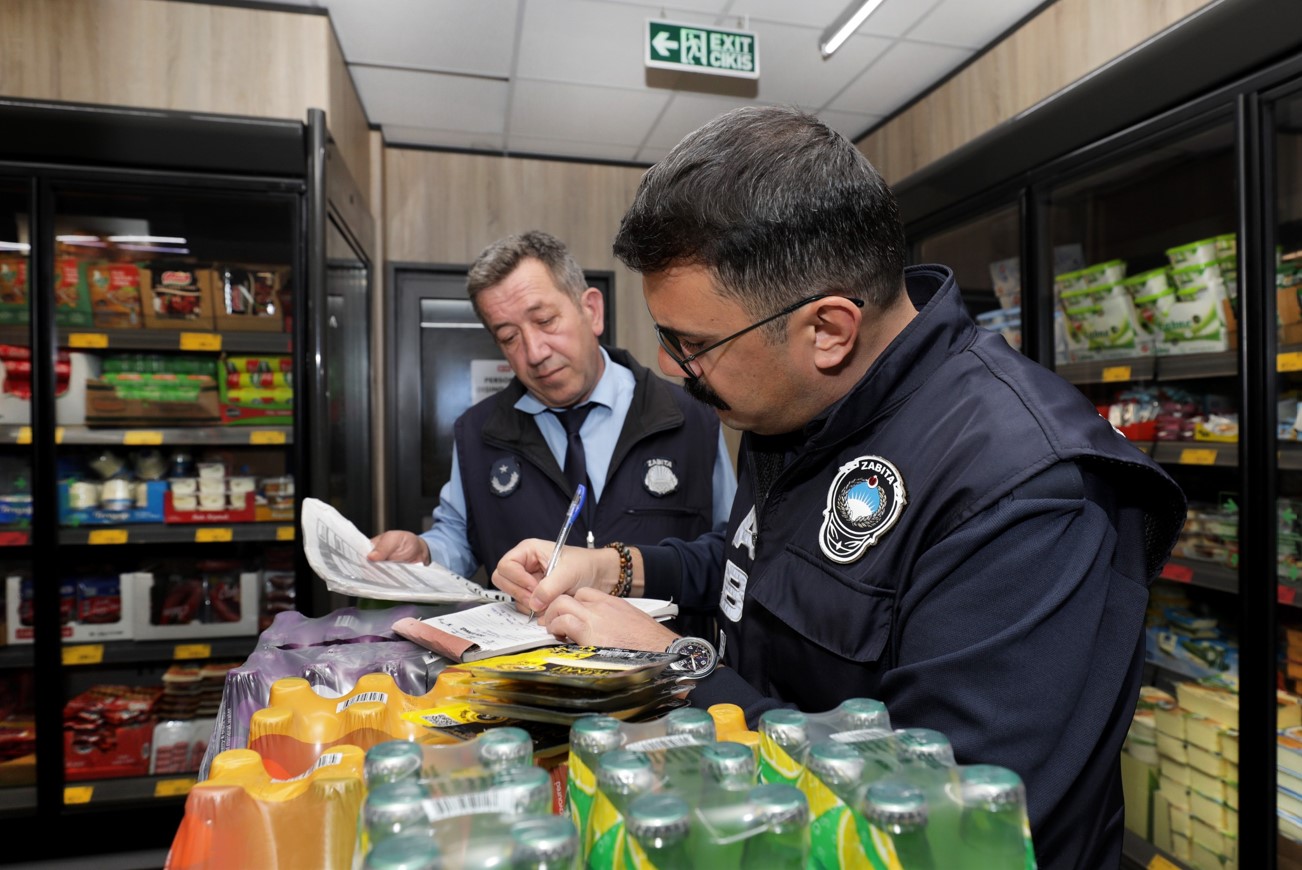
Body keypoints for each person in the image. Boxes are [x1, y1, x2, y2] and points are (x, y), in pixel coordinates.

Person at [491, 108, 1185, 870]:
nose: (671, 365)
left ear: (828, 329)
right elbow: (756, 563)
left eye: (693, 344)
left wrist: (677, 668)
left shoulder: (1028, 490)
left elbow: (937, 827)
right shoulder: (795, 396)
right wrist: (613, 569)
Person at [368, 230, 737, 591]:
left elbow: (733, 551)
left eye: (545, 321)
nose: (534, 352)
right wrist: (425, 553)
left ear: (591, 311)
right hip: (532, 650)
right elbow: (458, 538)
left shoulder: (691, 417)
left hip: (659, 649)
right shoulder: (477, 433)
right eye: (509, 337)